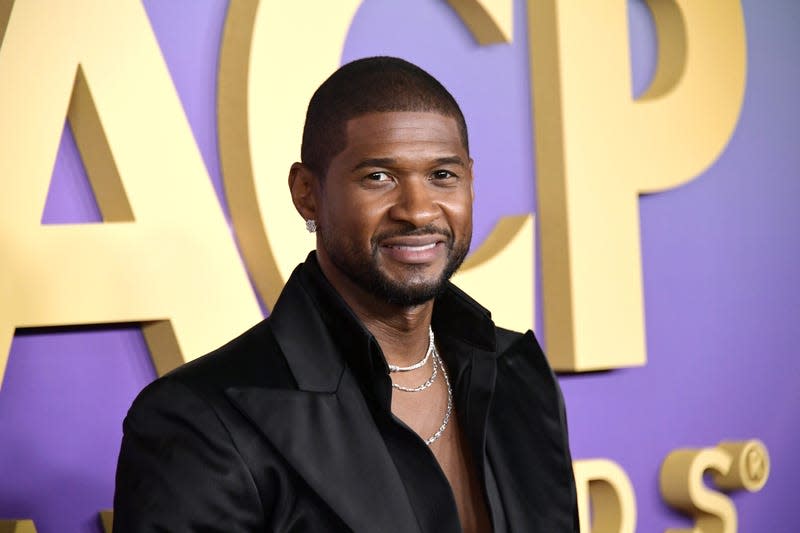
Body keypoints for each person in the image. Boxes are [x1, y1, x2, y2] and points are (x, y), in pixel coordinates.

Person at [113, 56, 578, 532]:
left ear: (471, 183)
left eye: (442, 175)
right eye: (379, 177)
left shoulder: (518, 375)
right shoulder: (199, 422)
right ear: (306, 193)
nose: (418, 211)